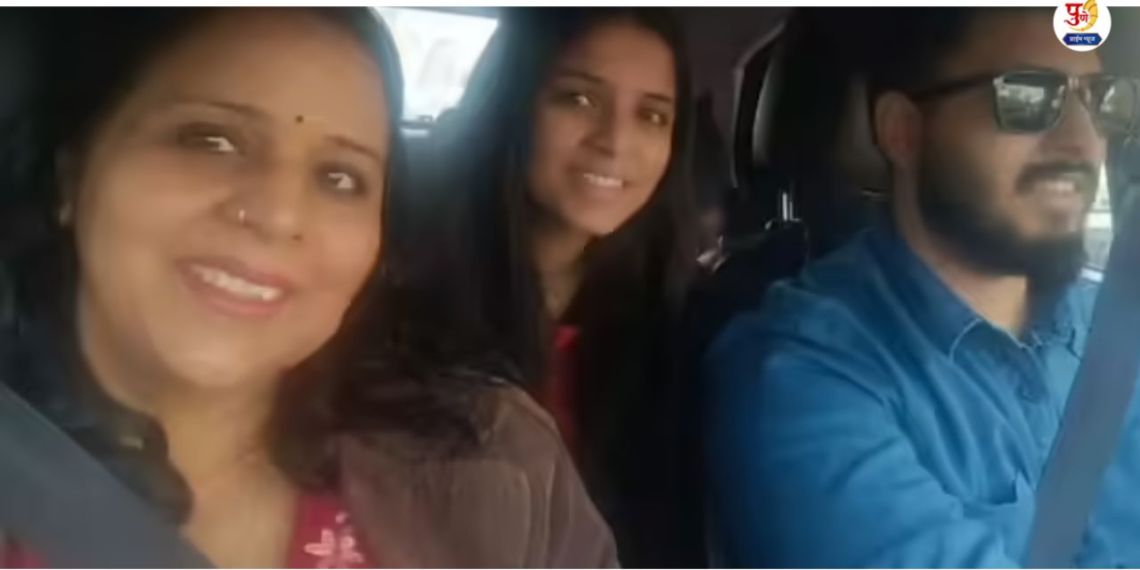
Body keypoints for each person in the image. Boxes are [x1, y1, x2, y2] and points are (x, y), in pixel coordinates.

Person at [0, 8, 615, 567]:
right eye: (211, 141)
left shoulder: (497, 462)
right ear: (71, 174)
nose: (278, 214)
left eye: (340, 178)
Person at [706, 8, 1140, 567]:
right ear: (903, 131)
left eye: (1100, 99)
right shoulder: (799, 378)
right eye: (1028, 97)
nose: (1083, 143)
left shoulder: (1112, 326)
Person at [430, 8, 703, 566]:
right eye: (578, 99)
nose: (615, 141)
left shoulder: (670, 321)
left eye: (652, 116)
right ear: (515, 103)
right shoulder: (407, 294)